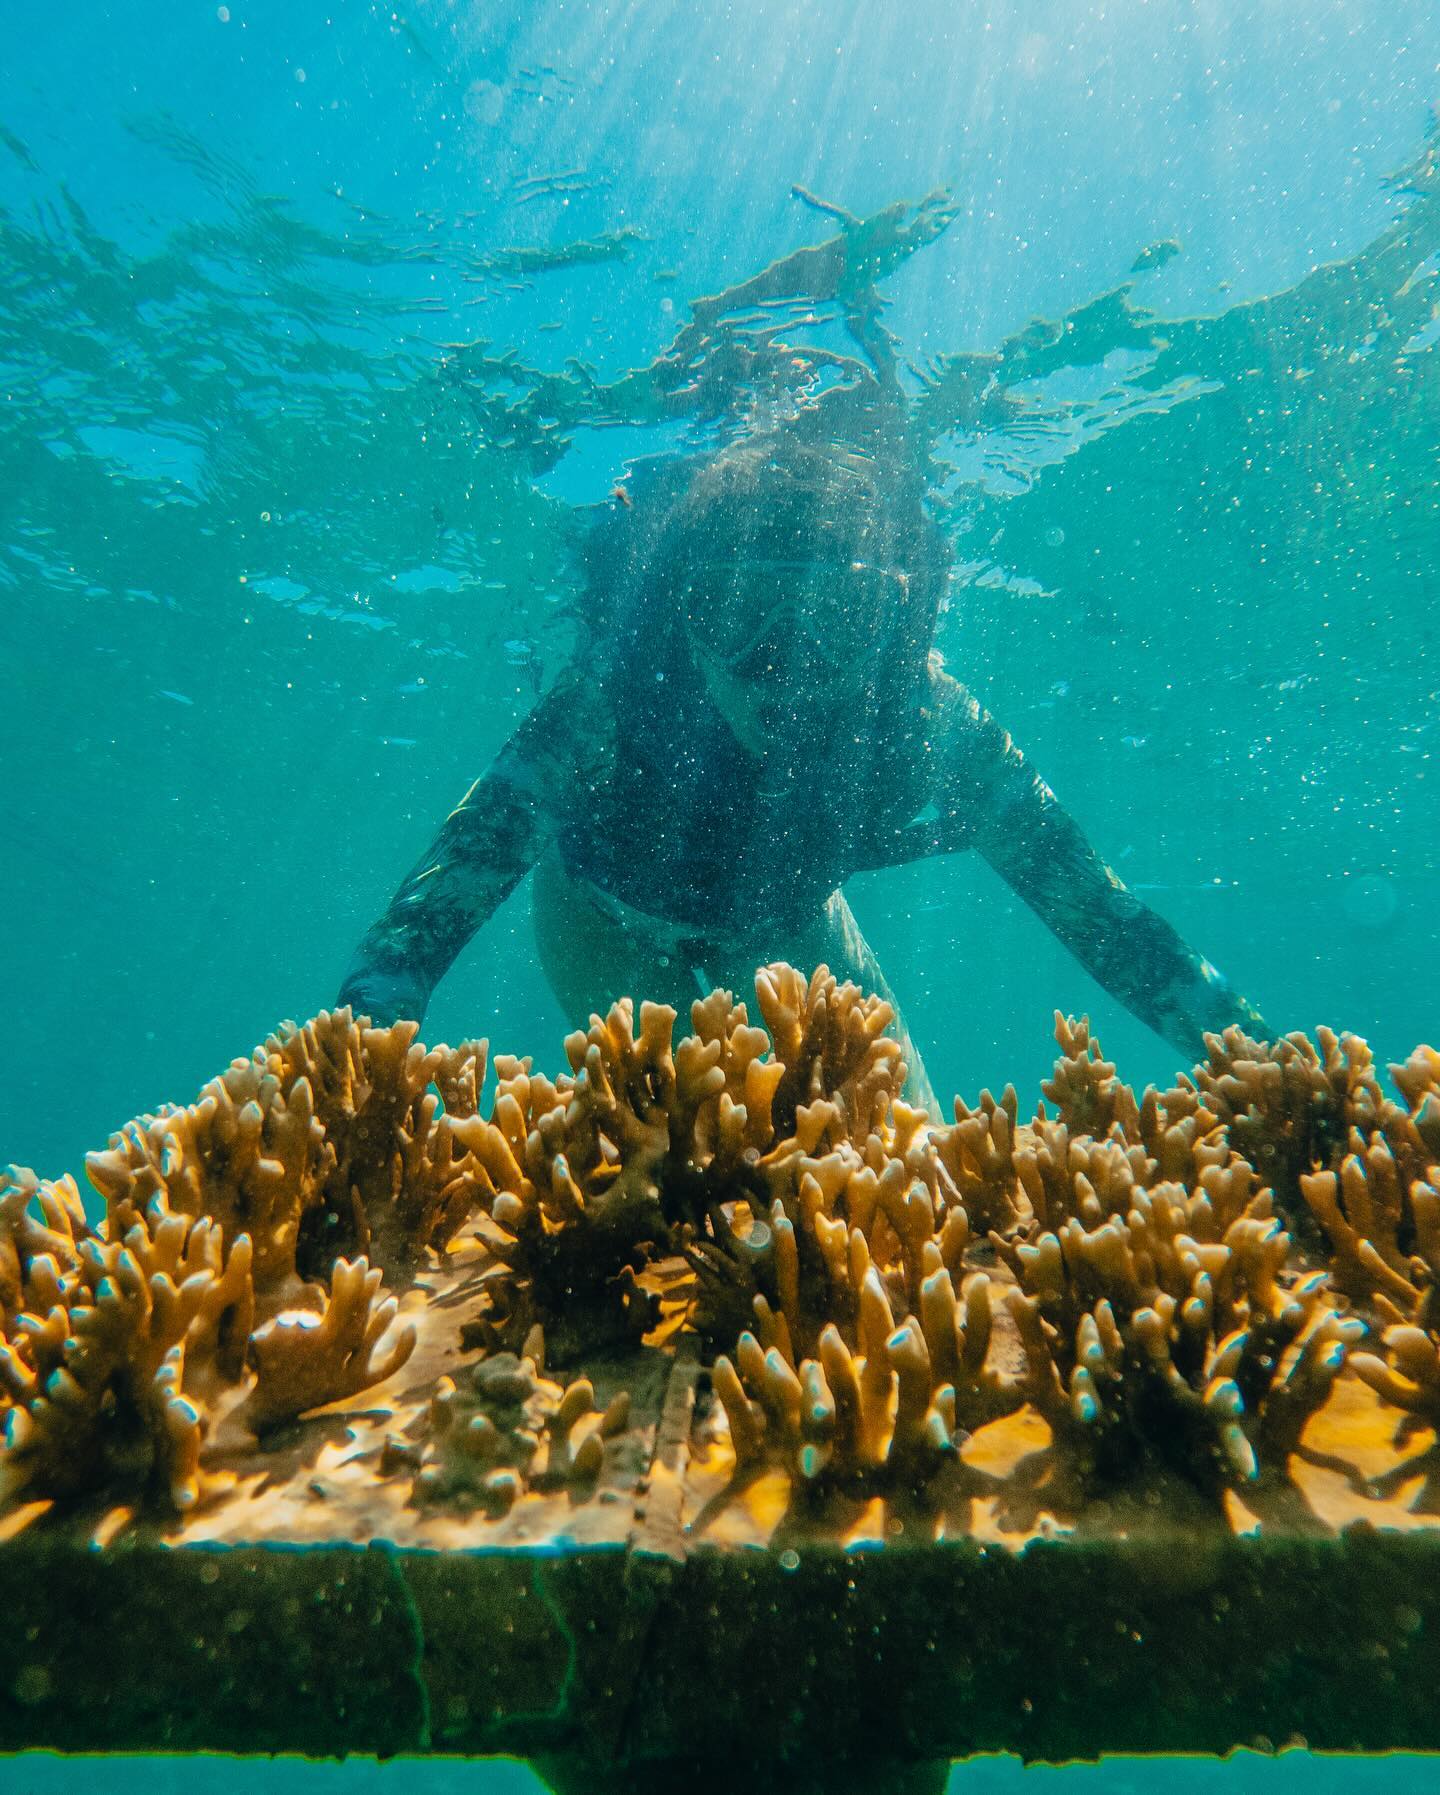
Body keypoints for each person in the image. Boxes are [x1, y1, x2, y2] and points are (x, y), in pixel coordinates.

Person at [337, 420, 1264, 1110]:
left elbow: (1106, 918)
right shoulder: (604, 705)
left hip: (788, 916)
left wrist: (1278, 1084)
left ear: (894, 627)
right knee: (669, 1149)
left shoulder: (930, 720)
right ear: (681, 614)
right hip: (599, 913)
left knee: (915, 1151)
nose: (784, 669)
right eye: (741, 615)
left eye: (840, 624)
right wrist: (347, 1109)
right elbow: (419, 929)